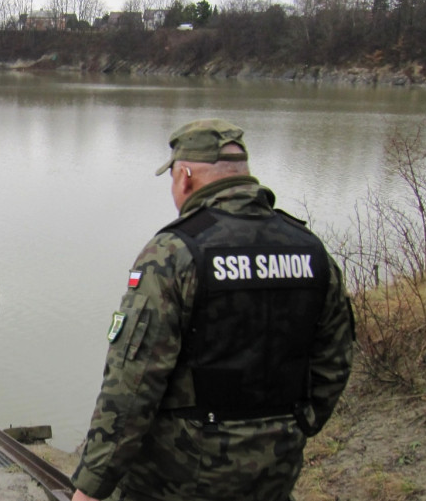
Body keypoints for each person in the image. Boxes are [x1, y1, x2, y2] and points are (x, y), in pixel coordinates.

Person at [70, 120, 355, 501]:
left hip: (177, 479)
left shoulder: (175, 252)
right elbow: (335, 360)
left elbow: (133, 381)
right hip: (275, 469)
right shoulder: (310, 250)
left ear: (185, 177)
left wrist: (92, 486)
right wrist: (296, 424)